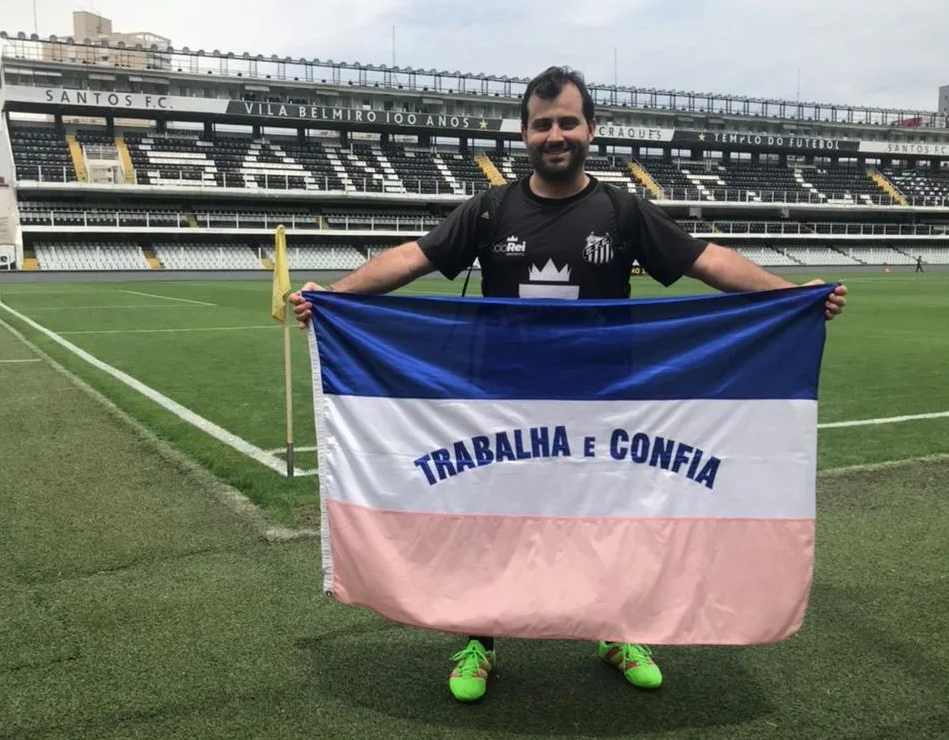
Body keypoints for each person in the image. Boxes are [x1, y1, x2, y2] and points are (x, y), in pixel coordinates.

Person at [290, 65, 848, 703]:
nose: (555, 135)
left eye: (567, 122)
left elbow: (705, 261)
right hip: (500, 402)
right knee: (491, 522)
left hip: (604, 406)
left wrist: (790, 297)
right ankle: (479, 637)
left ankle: (614, 628)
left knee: (608, 518)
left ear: (591, 129)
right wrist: (333, 297)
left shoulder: (621, 209)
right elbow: (413, 257)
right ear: (524, 133)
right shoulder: (491, 208)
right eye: (542, 124)